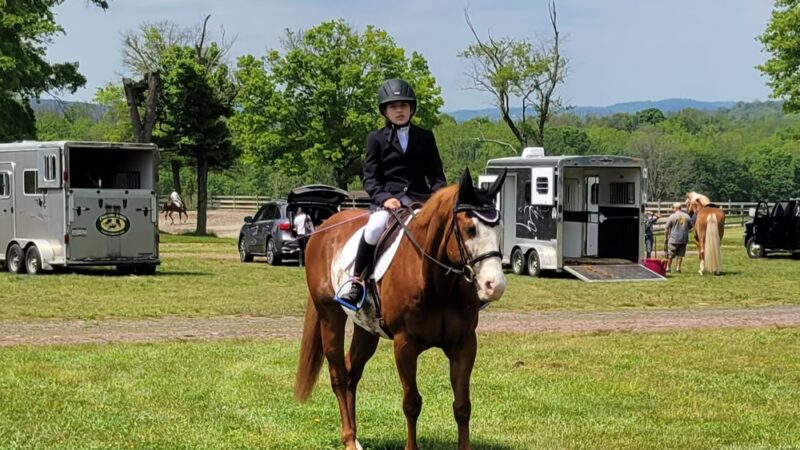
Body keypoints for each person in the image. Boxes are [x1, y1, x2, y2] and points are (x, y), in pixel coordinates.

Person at [335, 78, 447, 311]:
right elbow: (370, 178)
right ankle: (357, 282)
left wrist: (437, 200)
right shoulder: (375, 139)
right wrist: (385, 198)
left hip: (421, 202)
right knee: (375, 226)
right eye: (394, 106)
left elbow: (436, 175)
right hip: (389, 204)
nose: (399, 110)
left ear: (411, 109)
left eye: (404, 106)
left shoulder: (425, 137)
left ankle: (460, 284)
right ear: (385, 110)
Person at [664, 202, 692, 273]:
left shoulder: (672, 216)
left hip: (673, 238)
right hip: (683, 239)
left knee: (670, 255)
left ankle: (668, 268)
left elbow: (667, 228)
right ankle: (678, 268)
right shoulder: (687, 216)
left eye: (673, 208)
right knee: (680, 255)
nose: (672, 209)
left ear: (676, 208)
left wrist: (666, 237)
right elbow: (690, 227)